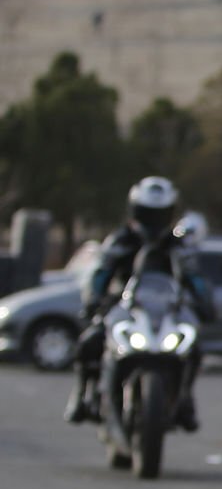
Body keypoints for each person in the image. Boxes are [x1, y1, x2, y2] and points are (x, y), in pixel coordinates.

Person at [66, 176, 214, 431]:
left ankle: (185, 399)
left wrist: (203, 302)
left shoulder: (176, 244)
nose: (152, 221)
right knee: (89, 341)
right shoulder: (121, 240)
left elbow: (194, 277)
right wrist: (93, 301)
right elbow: (100, 273)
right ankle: (81, 395)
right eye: (147, 214)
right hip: (124, 307)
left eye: (158, 214)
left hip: (166, 310)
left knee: (193, 347)